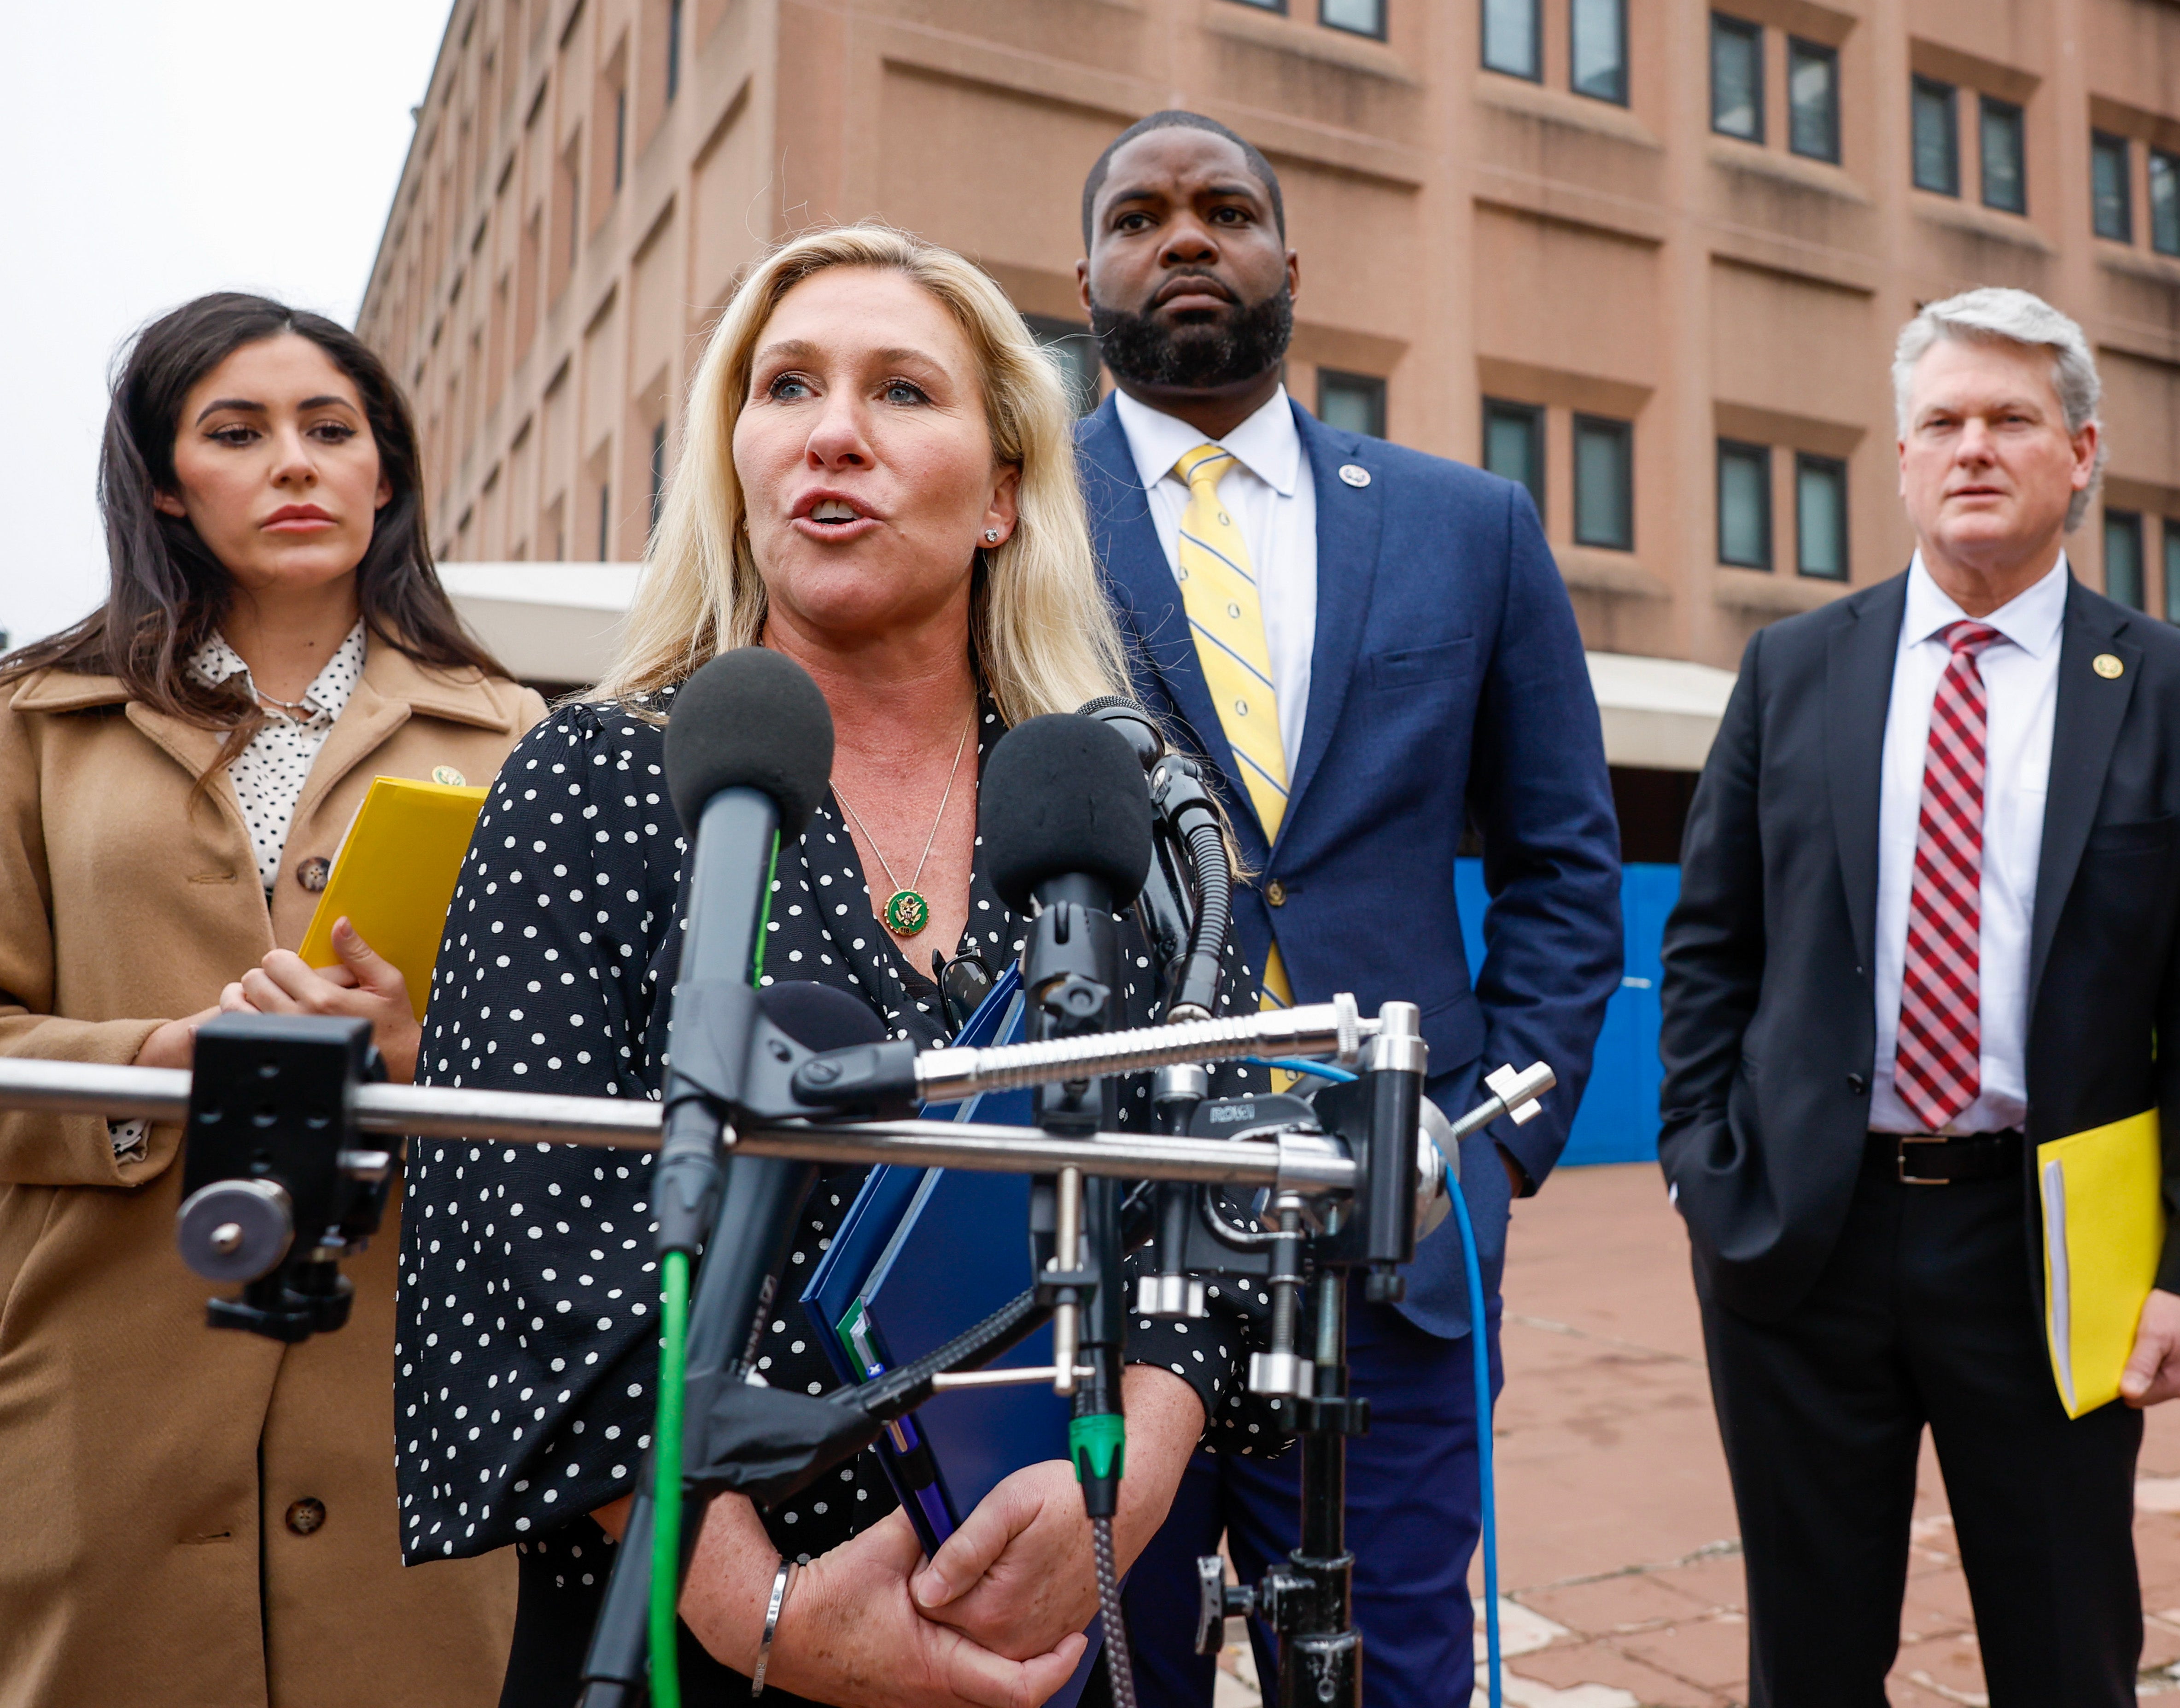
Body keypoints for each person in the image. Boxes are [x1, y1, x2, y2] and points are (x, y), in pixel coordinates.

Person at [395, 224, 1287, 1708]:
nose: (832, 434)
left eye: (901, 394)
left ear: (1004, 495)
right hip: (685, 1631)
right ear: (735, 462)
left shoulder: (1090, 798)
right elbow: (522, 1245)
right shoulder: (593, 779)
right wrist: (770, 1612)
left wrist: (1129, 1482)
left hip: (1045, 1619)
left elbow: (1206, 1196)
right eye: (787, 386)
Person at [1069, 111, 1626, 1706]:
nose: (1186, 238)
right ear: (1089, 268)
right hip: (1101, 1220)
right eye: (1142, 216)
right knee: (1108, 1666)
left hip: (1400, 1219)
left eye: (1227, 210)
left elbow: (1563, 861)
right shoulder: (1010, 520)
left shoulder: (1469, 527)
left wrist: (1495, 1143)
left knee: (1394, 1665)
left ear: (1289, 263)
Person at [1659, 288, 2180, 1707]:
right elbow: (1711, 941)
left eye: (2011, 420)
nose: (1974, 448)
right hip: (1800, 1235)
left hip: (2052, 1242)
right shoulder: (1794, 669)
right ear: (1899, 459)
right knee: (1809, 1662)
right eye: (1941, 422)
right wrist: (1703, 1162)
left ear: (2082, 451)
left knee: (2067, 1652)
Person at [0, 292, 542, 1708]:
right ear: (170, 486)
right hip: (97, 1386)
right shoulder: (29, 722)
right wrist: (161, 1062)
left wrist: (428, 1057)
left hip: (413, 1384)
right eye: (238, 433)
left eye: (331, 429)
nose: (296, 462)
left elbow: (584, 1086)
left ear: (387, 473)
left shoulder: (520, 734)